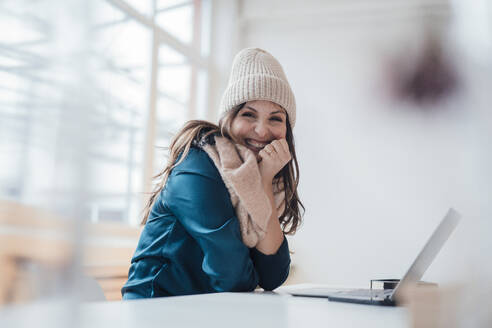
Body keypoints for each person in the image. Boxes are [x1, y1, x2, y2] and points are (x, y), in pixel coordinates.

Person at [121, 48, 304, 299]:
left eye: (275, 119)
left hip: (209, 309)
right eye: (248, 114)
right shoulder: (198, 164)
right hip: (154, 308)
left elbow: (272, 276)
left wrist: (263, 182)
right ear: (228, 118)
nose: (262, 131)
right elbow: (232, 277)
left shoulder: (265, 181)